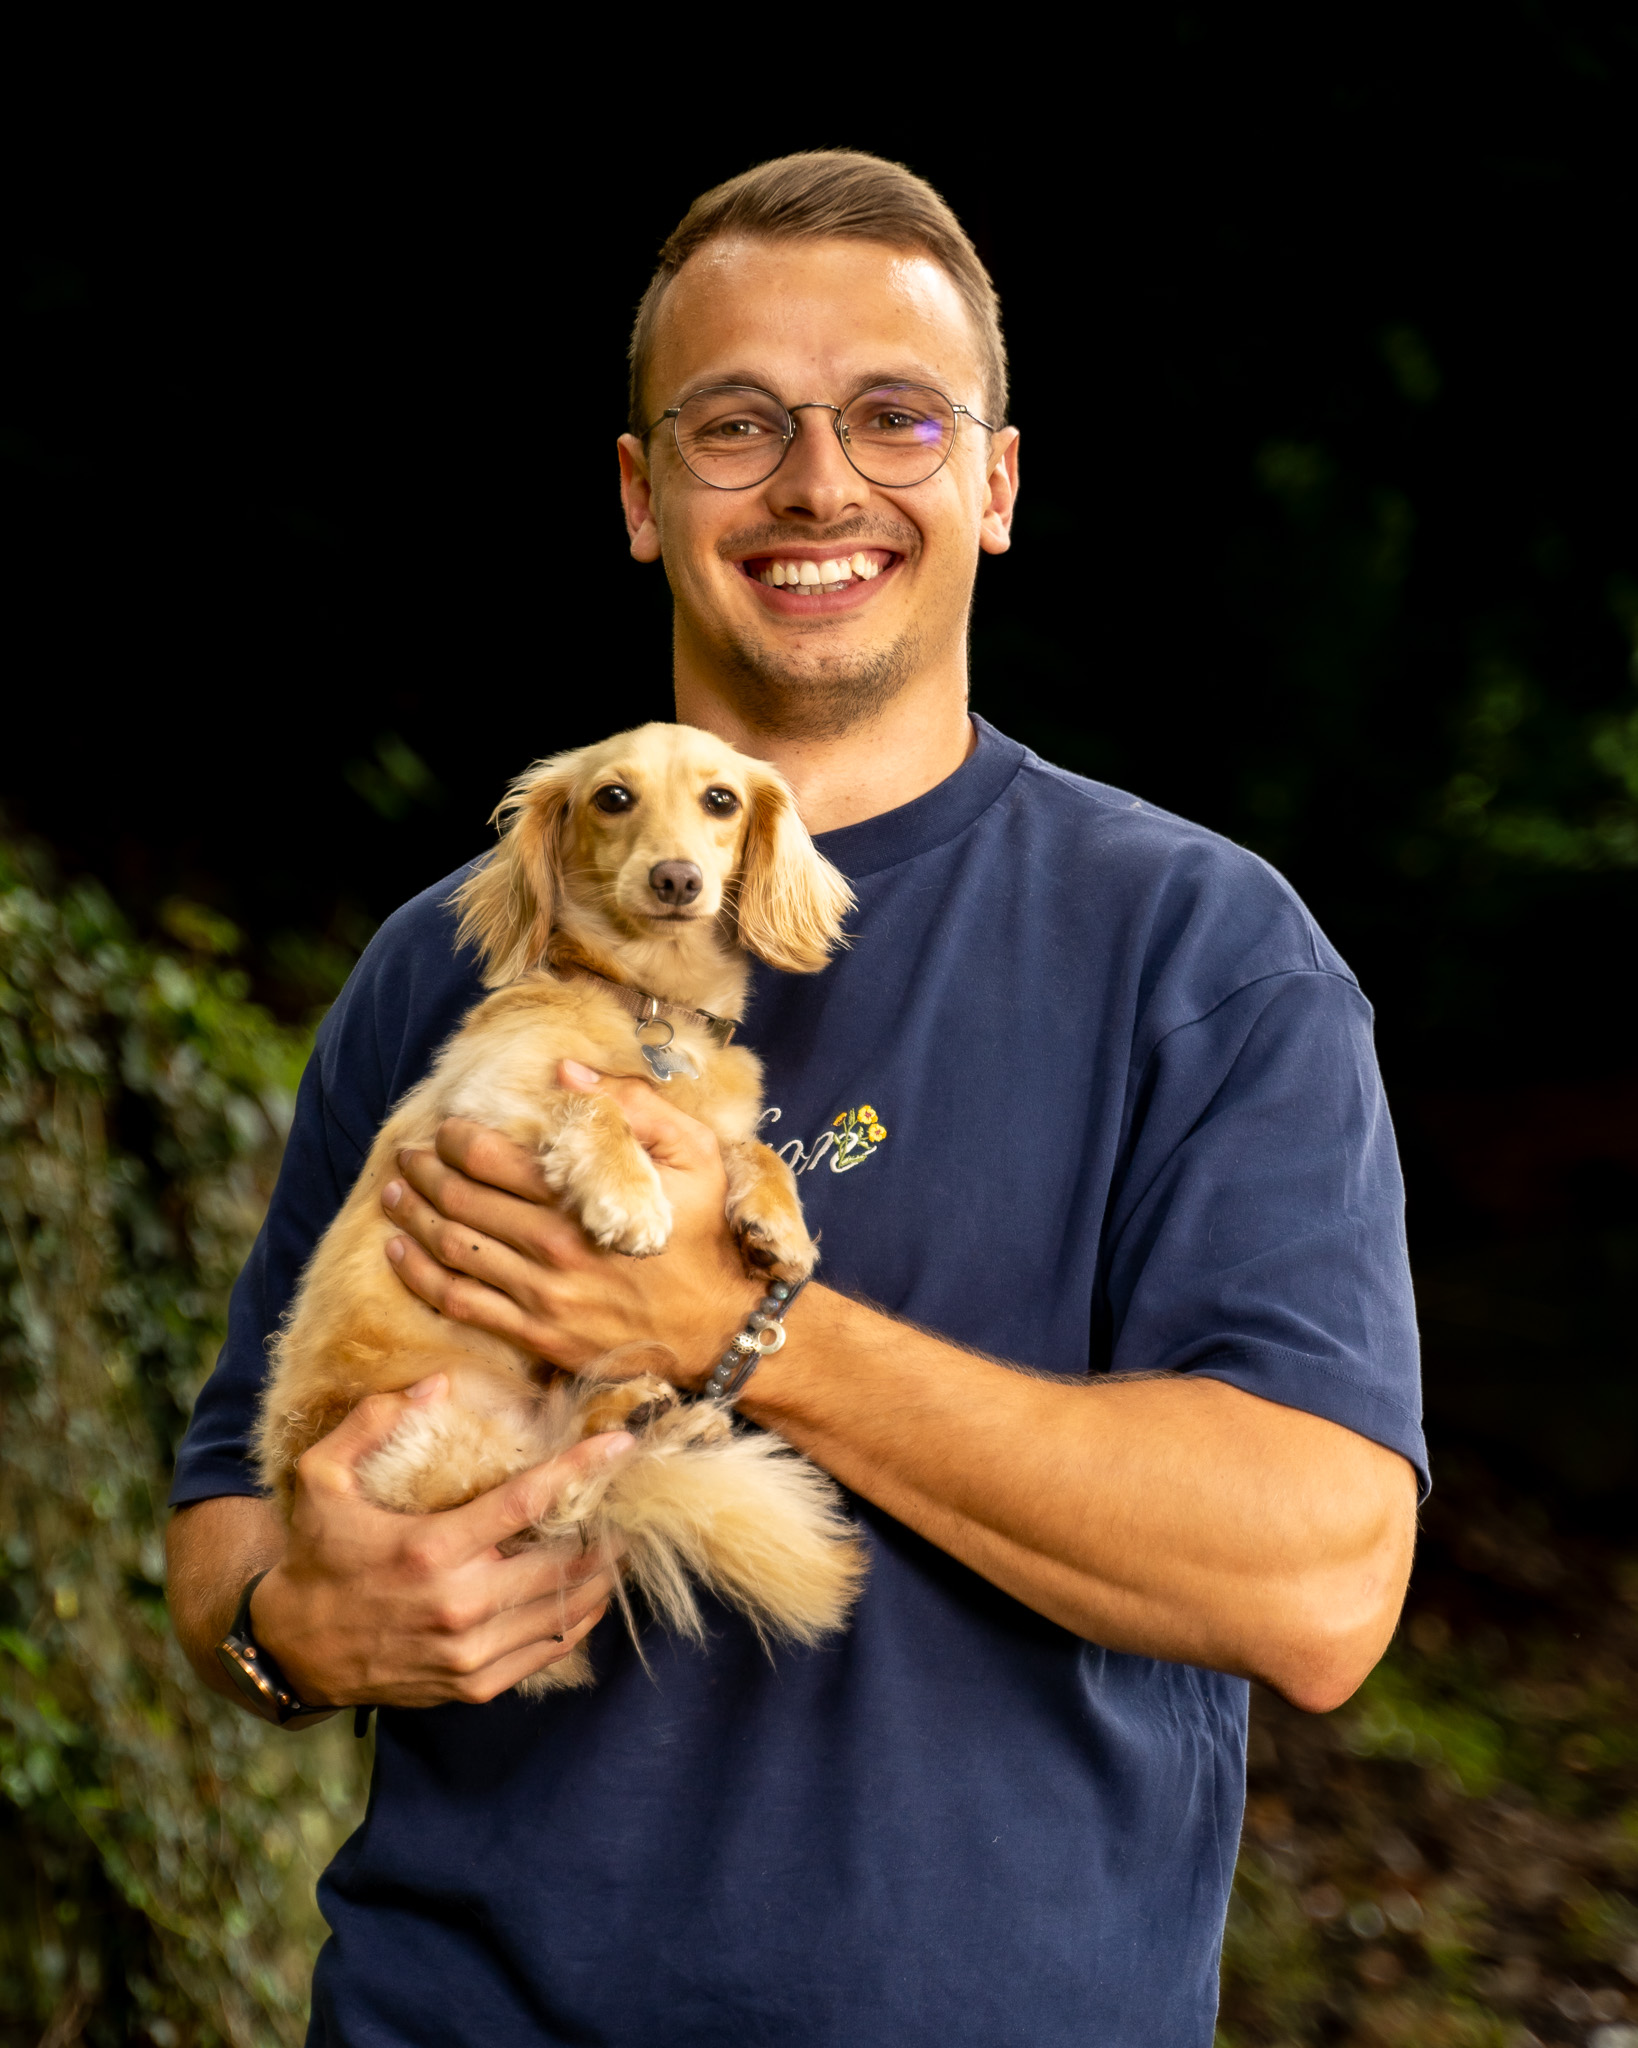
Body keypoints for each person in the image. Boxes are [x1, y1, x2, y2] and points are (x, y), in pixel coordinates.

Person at [167, 150, 1423, 2047]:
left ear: (993, 481)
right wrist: (291, 1634)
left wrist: (743, 1328)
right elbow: (221, 1526)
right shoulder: (448, 963)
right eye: (738, 423)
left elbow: (1322, 1583)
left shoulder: (1198, 954)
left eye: (894, 417)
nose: (820, 482)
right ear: (638, 492)